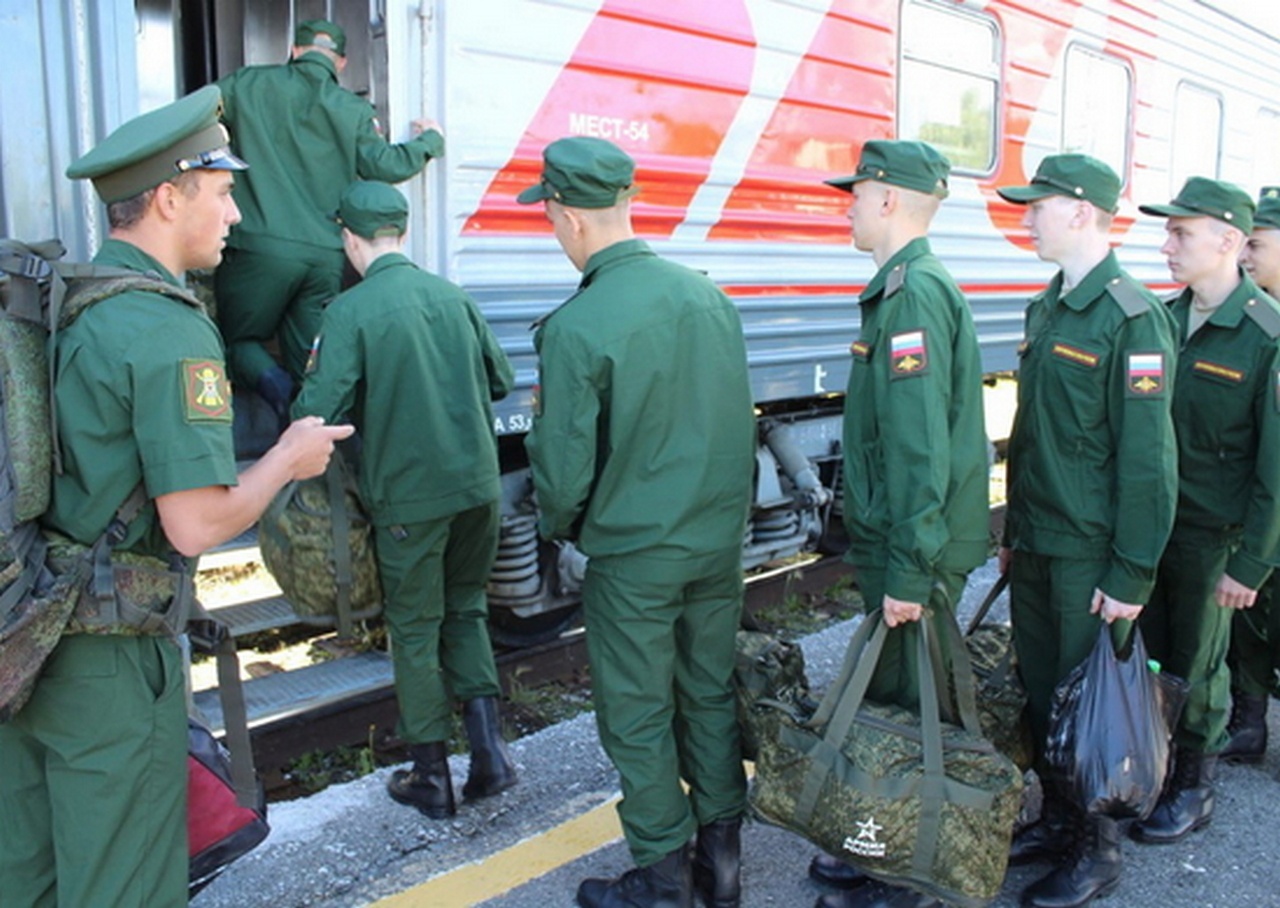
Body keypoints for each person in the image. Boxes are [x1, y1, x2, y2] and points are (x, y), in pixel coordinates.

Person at [0, 85, 351, 908]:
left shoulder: (65, 305)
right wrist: (288, 459)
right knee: (123, 884)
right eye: (224, 193)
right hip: (110, 664)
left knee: (29, 876)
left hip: (27, 638)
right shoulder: (166, 327)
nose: (235, 216)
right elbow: (194, 523)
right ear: (169, 196)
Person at [518, 136, 755, 908]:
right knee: (708, 690)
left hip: (635, 554)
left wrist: (568, 526)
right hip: (716, 546)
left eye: (550, 218)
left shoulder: (576, 327)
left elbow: (561, 467)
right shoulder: (707, 297)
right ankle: (721, 861)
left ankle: (661, 874)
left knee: (638, 708)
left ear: (566, 216)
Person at [292, 181, 517, 818]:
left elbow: (316, 413)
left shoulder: (349, 312)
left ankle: (430, 777)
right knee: (466, 610)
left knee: (415, 631)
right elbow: (499, 380)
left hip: (411, 503)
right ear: (402, 233)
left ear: (348, 238)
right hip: (478, 489)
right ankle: (491, 757)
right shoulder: (453, 297)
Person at [806, 140, 989, 908]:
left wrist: (911, 570)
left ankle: (904, 875)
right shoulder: (906, 288)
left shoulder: (910, 296)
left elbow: (920, 449)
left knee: (908, 710)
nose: (847, 204)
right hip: (902, 538)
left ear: (887, 200)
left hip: (910, 546)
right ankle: (881, 847)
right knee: (895, 701)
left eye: (856, 193)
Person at [994, 155, 1179, 908]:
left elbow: (1148, 465)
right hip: (1039, 542)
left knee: (1089, 705)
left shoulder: (1132, 318)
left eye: (1037, 206)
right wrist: (1013, 529)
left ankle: (1096, 849)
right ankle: (1060, 816)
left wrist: (1131, 575)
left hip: (1089, 554)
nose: (1026, 217)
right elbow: (1034, 435)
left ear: (1078, 212)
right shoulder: (1051, 305)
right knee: (1044, 693)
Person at [1130, 178, 1280, 845]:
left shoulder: (1265, 335)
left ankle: (1195, 782)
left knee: (1200, 662)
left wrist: (1251, 563)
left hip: (1214, 537)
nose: (1167, 245)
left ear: (1228, 241)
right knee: (1156, 656)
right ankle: (1159, 768)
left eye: (1180, 233)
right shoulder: (1162, 320)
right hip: (1155, 527)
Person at [214, 18, 445, 426]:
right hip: (324, 254)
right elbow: (383, 164)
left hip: (257, 250)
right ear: (340, 62)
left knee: (241, 341)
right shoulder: (354, 110)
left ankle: (281, 402)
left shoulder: (245, 84)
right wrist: (429, 141)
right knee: (312, 358)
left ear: (295, 50)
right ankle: (317, 437)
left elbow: (190, 120)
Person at [1221, 185, 1280, 762]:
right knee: (1253, 618)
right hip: (1256, 509)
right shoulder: (1253, 317)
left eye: (1257, 244)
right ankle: (1250, 718)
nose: (1246, 256)